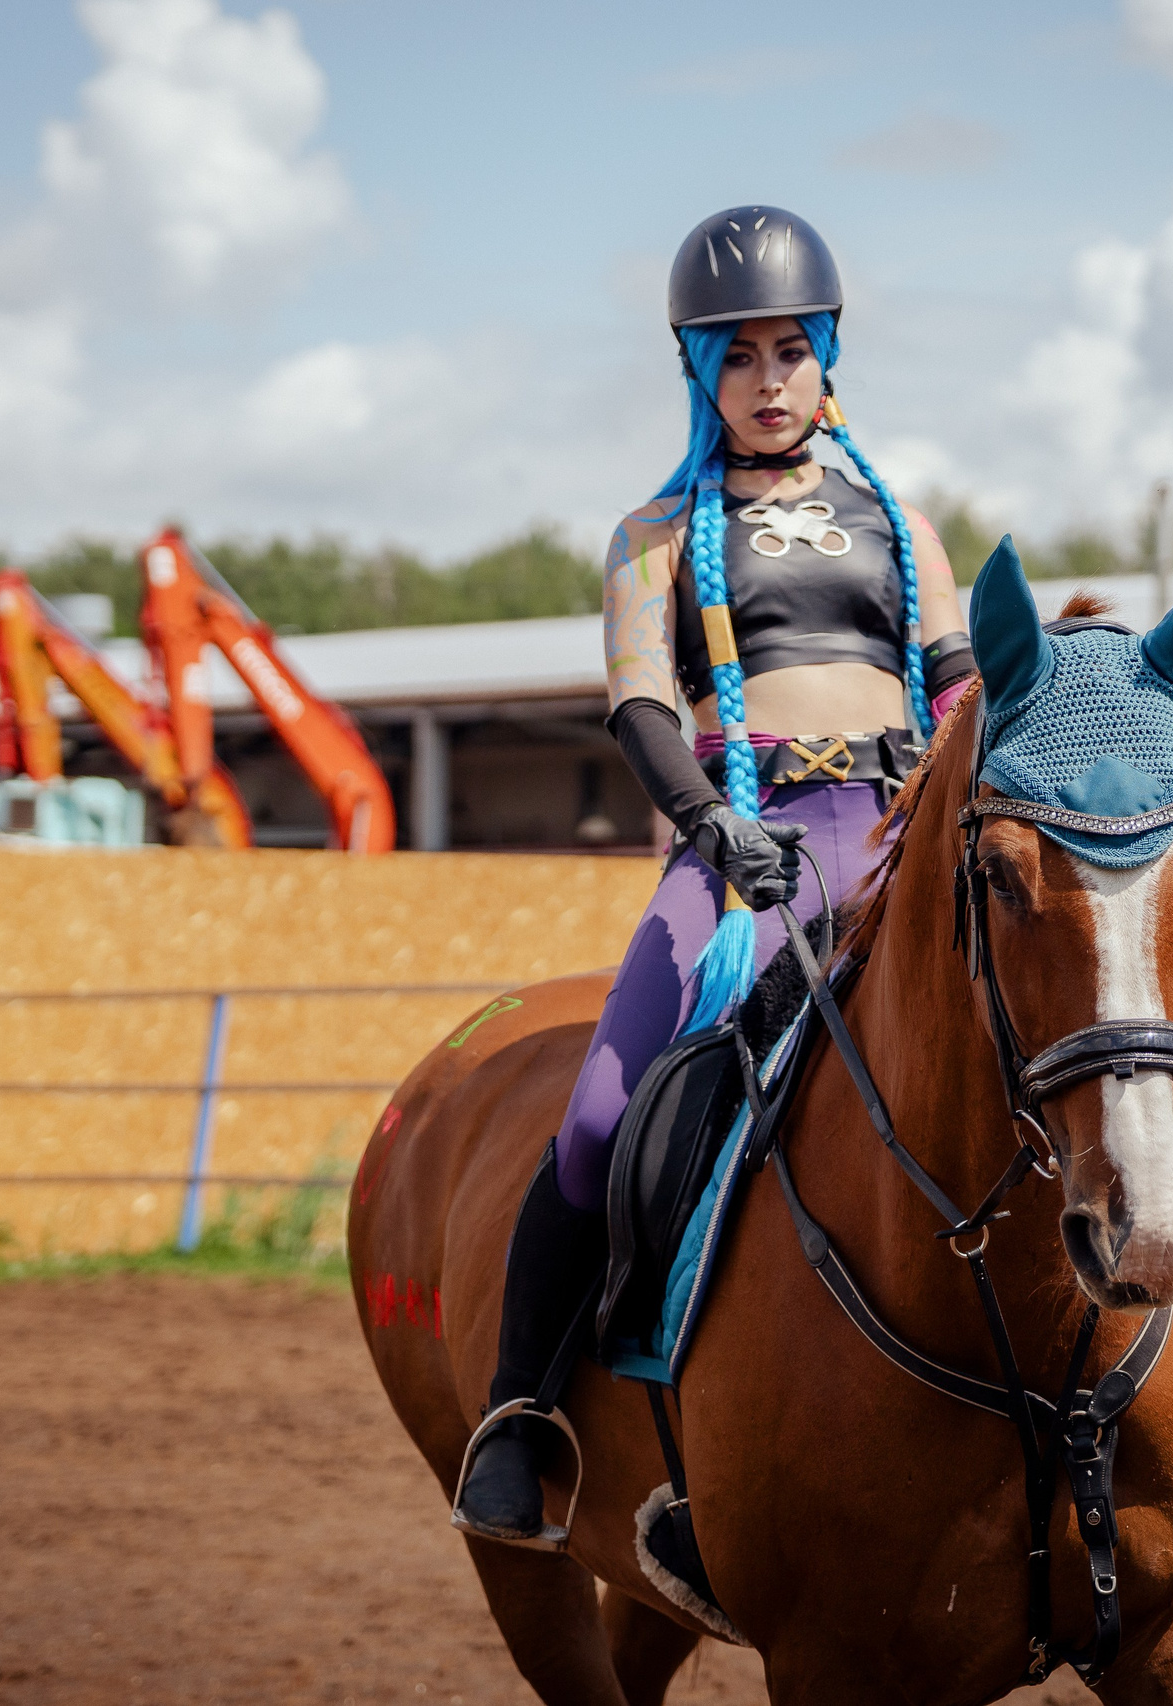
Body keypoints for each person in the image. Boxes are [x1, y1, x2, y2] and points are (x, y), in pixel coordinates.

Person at [451, 206, 977, 1546]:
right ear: (698, 369)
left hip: (898, 835)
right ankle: (525, 1410)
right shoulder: (653, 532)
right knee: (598, 1117)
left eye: (789, 351)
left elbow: (963, 687)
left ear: (826, 357)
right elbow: (637, 701)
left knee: (1043, 1049)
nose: (767, 380)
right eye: (736, 356)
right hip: (746, 845)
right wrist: (709, 825)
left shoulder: (907, 528)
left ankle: (1119, 1377)